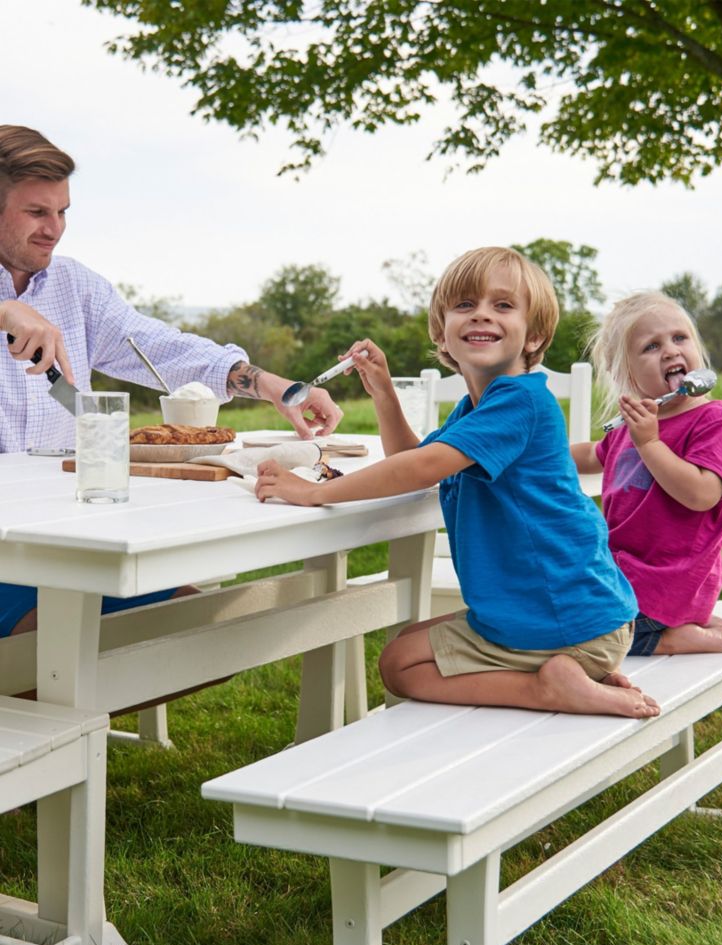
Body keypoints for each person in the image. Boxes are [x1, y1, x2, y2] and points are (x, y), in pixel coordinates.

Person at [256, 246, 659, 718]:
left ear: (534, 337)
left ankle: (550, 687)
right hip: (562, 611)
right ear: (442, 334)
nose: (481, 314)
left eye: (503, 305)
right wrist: (385, 391)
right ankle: (573, 672)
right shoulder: (479, 409)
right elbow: (413, 458)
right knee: (409, 639)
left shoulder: (518, 403)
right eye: (465, 305)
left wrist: (314, 491)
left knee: (398, 666)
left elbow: (420, 469)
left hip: (562, 614)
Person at [0, 124, 343, 638]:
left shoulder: (75, 286)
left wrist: (270, 383)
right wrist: (5, 309)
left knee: (203, 631)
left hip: (69, 537)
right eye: (36, 212)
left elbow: (157, 346)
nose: (54, 228)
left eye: (62, 211)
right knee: (72, 649)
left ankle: (69, 711)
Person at [570, 291, 722, 656]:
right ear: (625, 373)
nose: (670, 350)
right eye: (651, 346)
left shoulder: (711, 420)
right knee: (554, 605)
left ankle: (668, 637)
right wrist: (538, 456)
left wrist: (650, 443)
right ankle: (675, 623)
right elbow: (593, 453)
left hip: (671, 576)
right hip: (625, 572)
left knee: (583, 635)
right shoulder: (635, 425)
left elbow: (702, 495)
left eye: (679, 338)